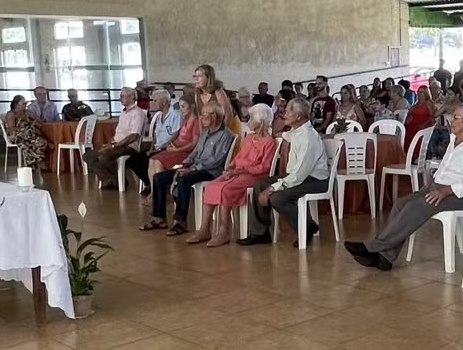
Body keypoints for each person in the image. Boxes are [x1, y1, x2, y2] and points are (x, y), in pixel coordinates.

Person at [344, 103, 463, 270]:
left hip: (461, 195)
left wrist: (446, 190)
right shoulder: (455, 139)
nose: (451, 121)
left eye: (455, 118)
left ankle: (373, 247)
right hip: (439, 188)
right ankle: (386, 257)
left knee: (417, 206)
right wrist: (433, 186)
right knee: (401, 204)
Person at [187, 104, 278, 247]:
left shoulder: (269, 142)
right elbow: (239, 156)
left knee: (226, 189)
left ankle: (224, 230)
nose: (248, 122)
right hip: (237, 172)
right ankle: (204, 229)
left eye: (251, 119)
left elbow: (264, 167)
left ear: (260, 122)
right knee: (211, 186)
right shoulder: (249, 138)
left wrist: (241, 171)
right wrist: (232, 166)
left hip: (253, 175)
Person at [242, 98, 330, 246]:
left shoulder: (308, 138)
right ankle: (260, 233)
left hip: (315, 180)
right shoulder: (297, 131)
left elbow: (298, 176)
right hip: (299, 176)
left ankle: (307, 227)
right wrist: (275, 133)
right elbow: (283, 135)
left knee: (277, 197)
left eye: (289, 110)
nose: (285, 113)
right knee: (259, 185)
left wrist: (272, 189)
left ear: (299, 116)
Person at [139, 103, 235, 236]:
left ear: (214, 116)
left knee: (184, 179)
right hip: (194, 167)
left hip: (210, 171)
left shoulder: (226, 135)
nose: (201, 118)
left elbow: (215, 161)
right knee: (159, 177)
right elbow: (195, 152)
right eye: (201, 115)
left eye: (205, 115)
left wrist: (192, 169)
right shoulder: (205, 132)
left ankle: (180, 222)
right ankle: (159, 217)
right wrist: (185, 164)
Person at [81, 87, 146, 189]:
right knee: (87, 156)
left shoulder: (138, 113)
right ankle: (111, 180)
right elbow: (117, 134)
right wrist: (109, 144)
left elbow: (134, 136)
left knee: (104, 156)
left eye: (122, 96)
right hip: (116, 144)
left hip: (128, 146)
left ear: (132, 97)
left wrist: (115, 145)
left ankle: (115, 181)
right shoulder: (123, 113)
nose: (120, 98)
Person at [126, 90, 183, 202]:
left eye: (155, 100)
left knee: (150, 159)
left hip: (167, 149)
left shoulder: (175, 115)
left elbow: (176, 134)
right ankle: (150, 183)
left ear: (164, 102)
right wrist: (152, 148)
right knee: (132, 160)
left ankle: (157, 188)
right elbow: (156, 136)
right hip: (157, 147)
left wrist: (163, 147)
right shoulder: (159, 116)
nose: (152, 103)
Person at [193, 64, 239, 135]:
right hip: (212, 128)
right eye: (195, 76)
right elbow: (200, 116)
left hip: (229, 127)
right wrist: (202, 134)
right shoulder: (197, 94)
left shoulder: (218, 92)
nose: (196, 79)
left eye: (199, 76)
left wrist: (220, 135)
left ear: (208, 78)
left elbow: (228, 115)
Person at [5, 95, 49, 170]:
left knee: (39, 141)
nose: (25, 105)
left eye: (26, 103)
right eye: (23, 104)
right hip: (16, 135)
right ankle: (39, 160)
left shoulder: (27, 112)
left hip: (29, 136)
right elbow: (12, 129)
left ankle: (33, 163)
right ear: (16, 104)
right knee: (31, 139)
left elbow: (39, 121)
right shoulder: (11, 114)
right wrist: (24, 129)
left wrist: (34, 122)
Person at [404, 85, 435, 149]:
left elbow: (432, 116)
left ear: (426, 93)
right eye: (418, 92)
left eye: (422, 92)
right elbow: (409, 113)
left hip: (425, 123)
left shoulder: (429, 102)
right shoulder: (416, 103)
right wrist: (408, 118)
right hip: (413, 123)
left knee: (416, 131)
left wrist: (424, 124)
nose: (419, 94)